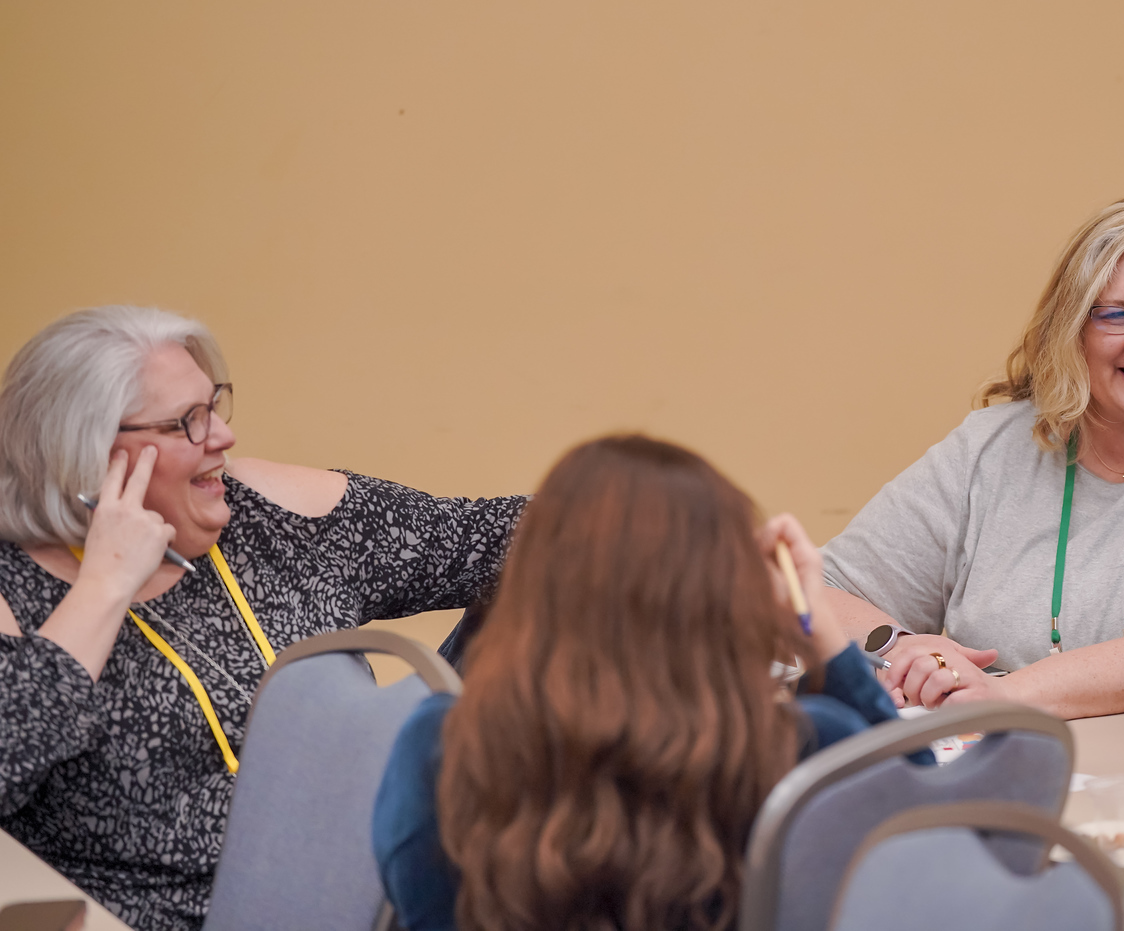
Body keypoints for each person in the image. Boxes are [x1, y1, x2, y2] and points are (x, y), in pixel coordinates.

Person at [0, 306, 525, 931]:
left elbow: (485, 539)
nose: (221, 436)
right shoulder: (15, 590)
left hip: (382, 890)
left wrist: (638, 506)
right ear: (87, 452)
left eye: (214, 406)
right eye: (186, 423)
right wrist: (106, 583)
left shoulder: (265, 512)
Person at [372, 435, 921, 931]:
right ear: (730, 594)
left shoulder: (439, 748)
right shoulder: (797, 748)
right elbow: (919, 813)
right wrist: (817, 626)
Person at [821, 195, 1124, 718]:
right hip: (993, 768)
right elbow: (814, 591)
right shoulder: (994, 445)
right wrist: (899, 647)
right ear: (1073, 329)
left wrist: (995, 695)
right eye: (1117, 314)